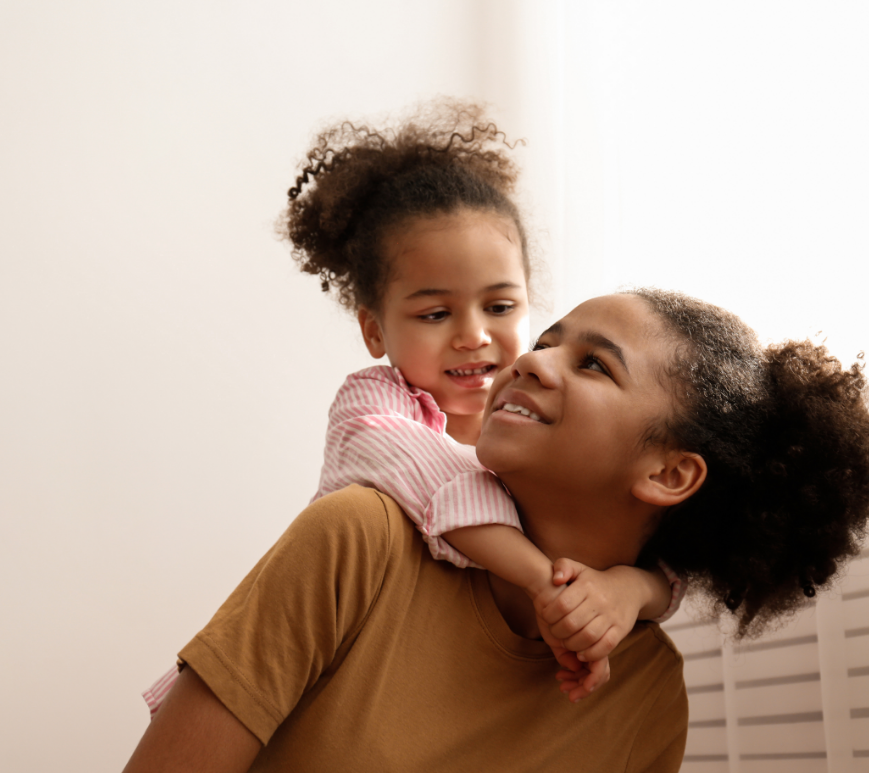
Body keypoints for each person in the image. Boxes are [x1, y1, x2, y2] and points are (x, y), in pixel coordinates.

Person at [123, 289, 869, 772]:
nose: (531, 361)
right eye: (545, 339)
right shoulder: (361, 537)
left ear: (669, 475)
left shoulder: (646, 689)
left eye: (594, 366)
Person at [142, 102, 680, 716]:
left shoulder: (523, 424)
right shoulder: (371, 410)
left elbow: (657, 551)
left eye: (501, 308)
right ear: (375, 332)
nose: (474, 335)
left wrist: (628, 589)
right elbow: (441, 487)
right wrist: (548, 586)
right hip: (327, 671)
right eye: (434, 314)